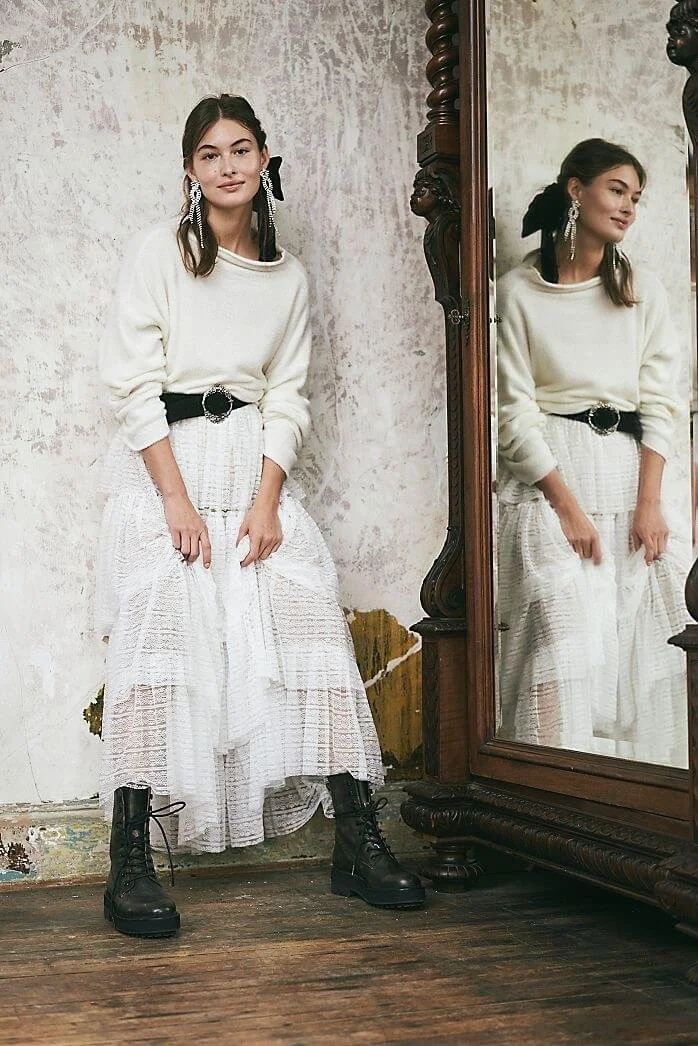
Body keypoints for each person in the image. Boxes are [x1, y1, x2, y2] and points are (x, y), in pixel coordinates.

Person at [95, 93, 425, 937]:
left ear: (264, 158)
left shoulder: (288, 279)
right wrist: (173, 500)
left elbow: (289, 394)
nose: (228, 166)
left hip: (252, 475)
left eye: (240, 149)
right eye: (210, 154)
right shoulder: (160, 254)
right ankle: (129, 860)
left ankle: (357, 840)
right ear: (190, 170)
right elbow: (131, 383)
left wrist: (269, 499)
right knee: (155, 656)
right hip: (171, 470)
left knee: (312, 640)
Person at [496, 138, 689, 767]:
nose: (628, 206)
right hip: (552, 480)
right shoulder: (517, 292)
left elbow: (662, 401)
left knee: (654, 638)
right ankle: (553, 785)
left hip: (631, 476)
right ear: (576, 190)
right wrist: (566, 508)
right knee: (565, 639)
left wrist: (650, 503)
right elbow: (513, 411)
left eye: (636, 196)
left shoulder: (642, 290)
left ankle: (644, 791)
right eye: (617, 189)